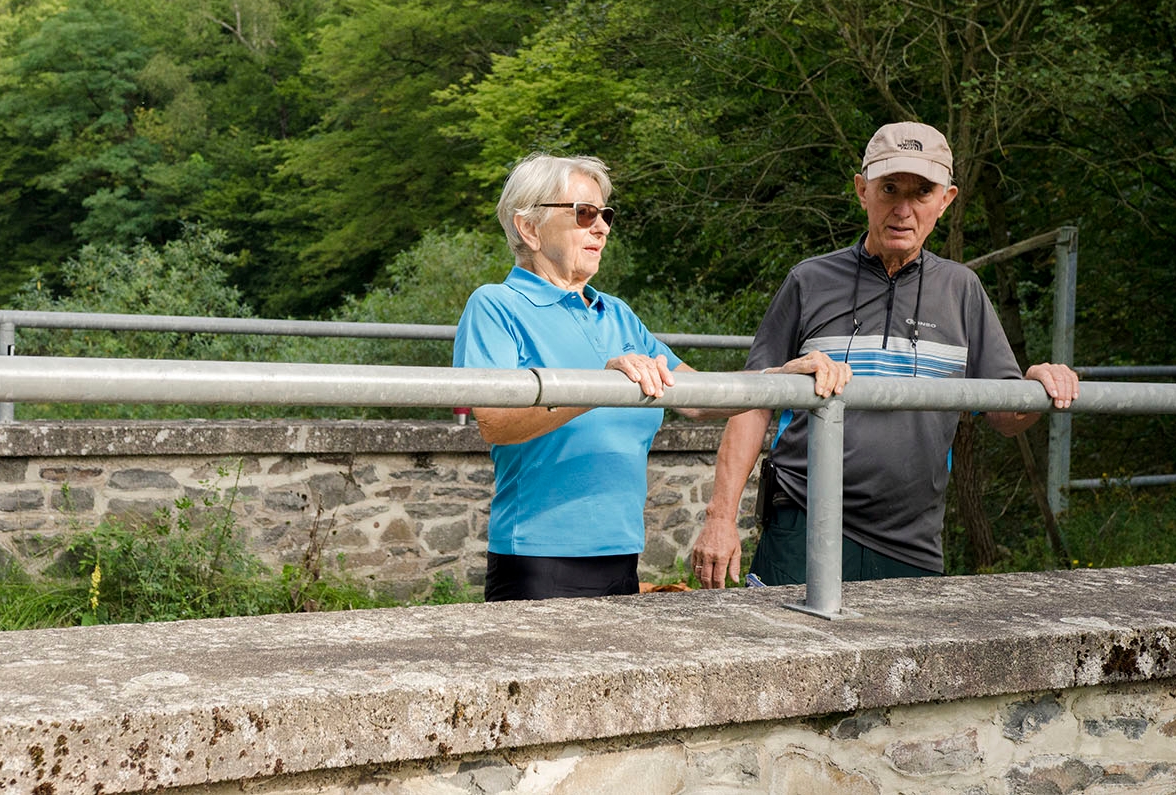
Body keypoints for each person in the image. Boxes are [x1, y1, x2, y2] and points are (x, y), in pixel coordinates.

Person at [690, 121, 1079, 589]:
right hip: (802, 521)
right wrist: (720, 517)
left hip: (911, 540)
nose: (903, 209)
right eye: (889, 188)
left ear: (946, 200)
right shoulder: (808, 281)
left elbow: (1003, 414)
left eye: (921, 192)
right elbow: (754, 400)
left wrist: (1036, 387)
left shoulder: (963, 291)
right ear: (862, 191)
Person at [453, 153, 844, 602]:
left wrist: (779, 375)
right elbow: (494, 423)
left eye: (606, 215)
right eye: (584, 214)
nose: (601, 227)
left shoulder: (617, 314)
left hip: (621, 554)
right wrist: (601, 387)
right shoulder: (495, 305)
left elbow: (698, 399)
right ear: (529, 228)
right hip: (538, 558)